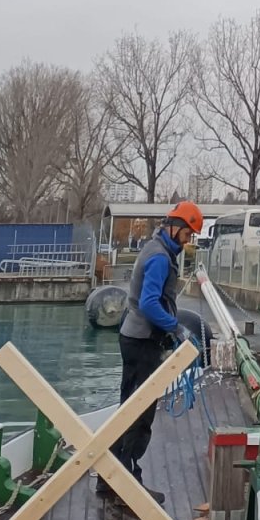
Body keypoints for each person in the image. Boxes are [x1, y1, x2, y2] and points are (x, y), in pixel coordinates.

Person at [97, 199, 204, 504]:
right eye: (187, 235)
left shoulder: (155, 249)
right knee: (139, 413)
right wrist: (176, 328)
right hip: (142, 341)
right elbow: (148, 303)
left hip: (135, 337)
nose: (187, 242)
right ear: (176, 228)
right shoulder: (159, 257)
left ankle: (108, 478)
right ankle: (127, 483)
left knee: (127, 408)